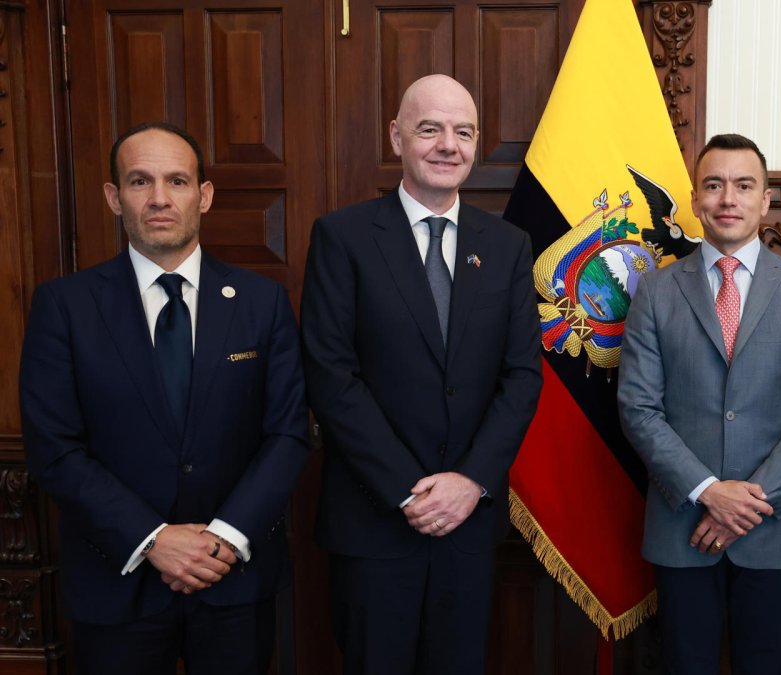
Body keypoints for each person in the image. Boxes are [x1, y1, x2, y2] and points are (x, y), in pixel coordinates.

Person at [19, 121, 310, 674]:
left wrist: (223, 538)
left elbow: (289, 433)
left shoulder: (261, 303)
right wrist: (151, 540)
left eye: (177, 181)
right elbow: (54, 447)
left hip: (234, 580)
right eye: (139, 181)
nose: (159, 198)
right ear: (113, 197)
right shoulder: (65, 307)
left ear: (203, 196)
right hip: (116, 582)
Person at [301, 74, 542, 674]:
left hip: (469, 522)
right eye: (429, 128)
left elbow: (521, 376)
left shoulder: (509, 245)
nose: (447, 145)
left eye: (463, 132)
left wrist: (470, 482)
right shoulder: (343, 236)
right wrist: (409, 489)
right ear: (397, 136)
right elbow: (332, 377)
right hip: (374, 521)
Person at [617, 133, 781, 674]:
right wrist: (708, 492)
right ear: (694, 199)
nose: (728, 199)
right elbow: (639, 407)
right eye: (714, 185)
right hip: (682, 525)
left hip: (774, 527)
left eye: (744, 186)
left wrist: (748, 504)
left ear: (766, 200)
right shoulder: (656, 290)